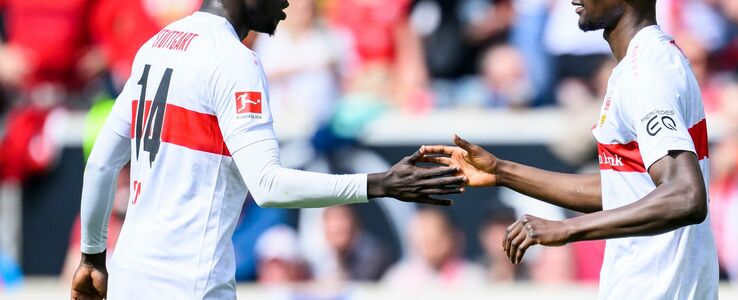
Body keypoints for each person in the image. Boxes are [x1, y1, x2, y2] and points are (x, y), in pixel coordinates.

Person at [70, 0, 466, 299]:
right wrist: (381, 183)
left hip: (127, 278)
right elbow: (268, 186)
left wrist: (91, 257)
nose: (287, 3)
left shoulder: (155, 46)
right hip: (188, 285)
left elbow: (101, 164)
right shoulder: (235, 61)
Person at [422, 0, 718, 298]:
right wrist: (501, 171)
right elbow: (627, 190)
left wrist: (566, 229)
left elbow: (685, 196)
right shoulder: (645, 63)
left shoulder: (646, 74)